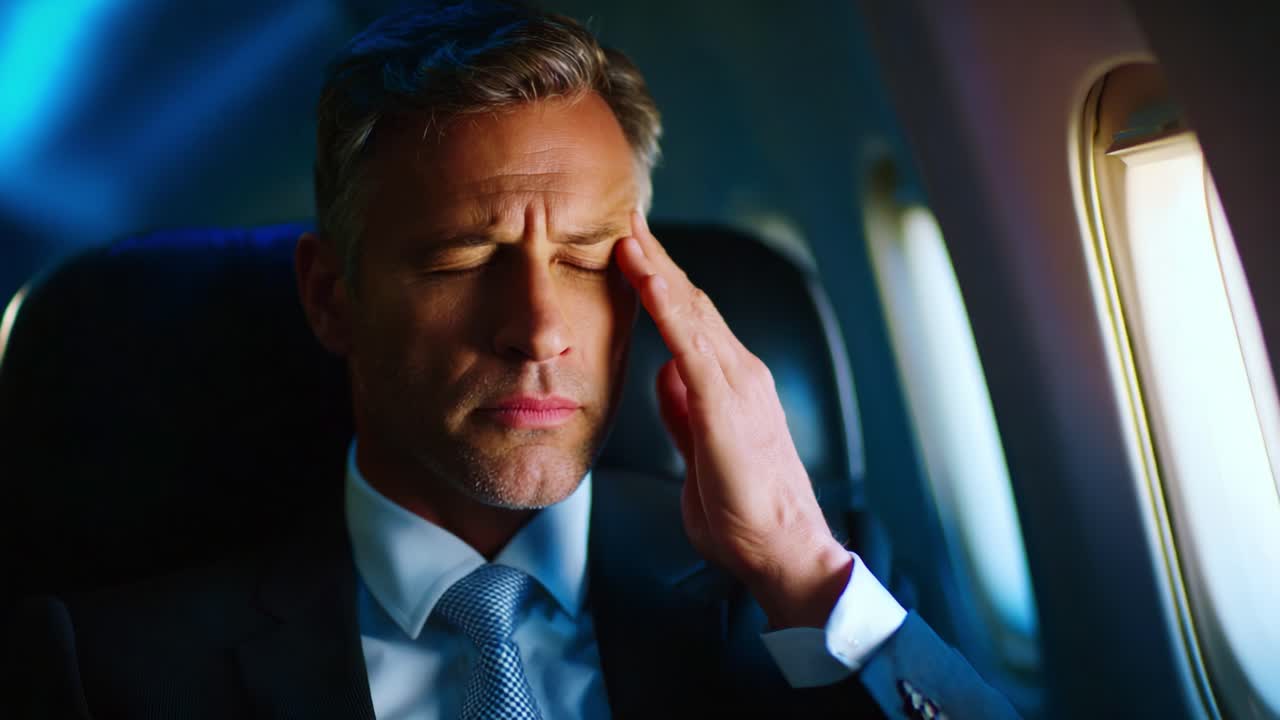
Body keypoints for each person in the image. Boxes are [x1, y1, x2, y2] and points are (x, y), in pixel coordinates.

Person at [11, 2, 1020, 718]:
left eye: (585, 260)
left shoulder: (807, 598)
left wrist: (801, 567)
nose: (537, 327)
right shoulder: (113, 673)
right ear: (331, 296)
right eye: (460, 260)